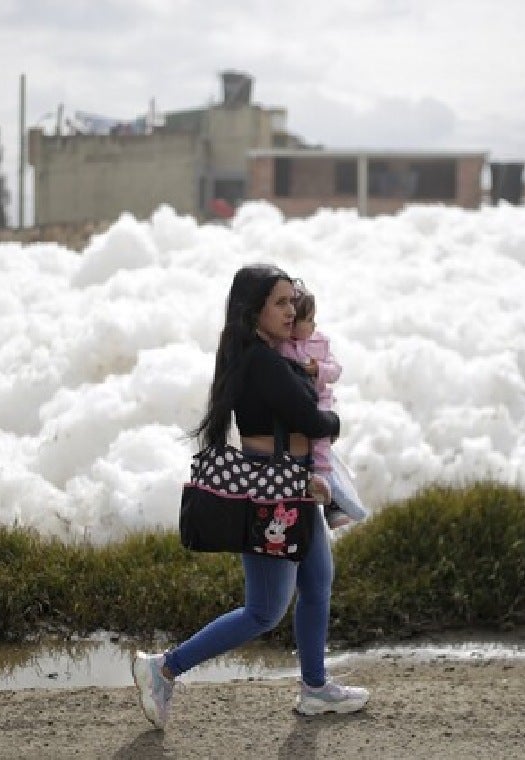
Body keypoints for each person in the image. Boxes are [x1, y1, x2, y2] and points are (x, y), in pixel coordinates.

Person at [132, 264, 370, 730]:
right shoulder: (261, 361)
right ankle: (163, 668)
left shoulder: (269, 354)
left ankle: (315, 688)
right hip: (273, 491)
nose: (291, 310)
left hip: (295, 483)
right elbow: (312, 418)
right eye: (279, 303)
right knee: (264, 610)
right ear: (253, 308)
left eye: (292, 301)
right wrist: (333, 423)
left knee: (318, 582)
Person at [277, 286, 370, 529]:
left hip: (320, 400)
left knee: (320, 441)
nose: (313, 325)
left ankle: (326, 484)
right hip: (296, 409)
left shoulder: (320, 342)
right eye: (308, 320)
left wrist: (318, 368)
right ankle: (328, 494)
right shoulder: (281, 346)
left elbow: (336, 370)